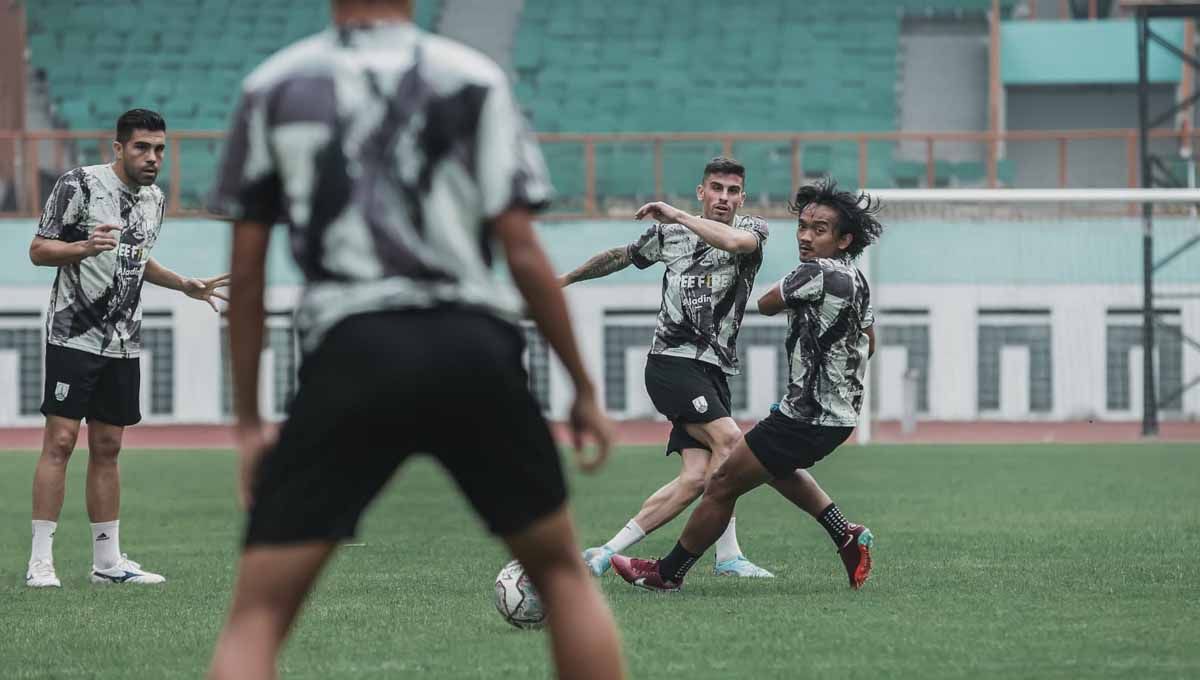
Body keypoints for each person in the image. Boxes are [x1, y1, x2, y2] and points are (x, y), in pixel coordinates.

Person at [205, 1, 626, 678]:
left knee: (257, 614)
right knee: (562, 576)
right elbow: (521, 250)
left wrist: (250, 422)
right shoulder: (474, 77)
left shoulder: (275, 85)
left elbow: (247, 273)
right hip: (472, 345)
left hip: (352, 351)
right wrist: (583, 387)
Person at [609, 179, 883, 592]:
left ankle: (667, 574)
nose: (806, 237)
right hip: (838, 416)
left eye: (819, 230)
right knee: (773, 467)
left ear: (845, 239)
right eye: (803, 226)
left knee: (721, 483)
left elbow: (766, 304)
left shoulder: (814, 272)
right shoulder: (859, 281)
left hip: (805, 416)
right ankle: (845, 534)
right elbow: (870, 341)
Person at [25, 109, 229, 588]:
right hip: (72, 334)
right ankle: (40, 562)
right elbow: (37, 249)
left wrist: (184, 284)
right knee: (59, 443)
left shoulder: (154, 199)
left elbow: (136, 257)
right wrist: (82, 248)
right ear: (118, 148)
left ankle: (107, 563)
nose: (152, 157)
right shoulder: (79, 185)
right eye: (142, 147)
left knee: (109, 446)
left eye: (159, 149)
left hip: (122, 341)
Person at [560, 157, 775, 579]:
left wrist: (676, 213)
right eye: (716, 188)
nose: (723, 198)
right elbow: (619, 256)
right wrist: (563, 279)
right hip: (672, 363)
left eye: (732, 191)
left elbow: (734, 245)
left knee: (698, 477)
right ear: (702, 191)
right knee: (731, 442)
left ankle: (605, 552)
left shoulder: (753, 231)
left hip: (714, 369)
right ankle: (721, 556)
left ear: (742, 198)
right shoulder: (669, 236)